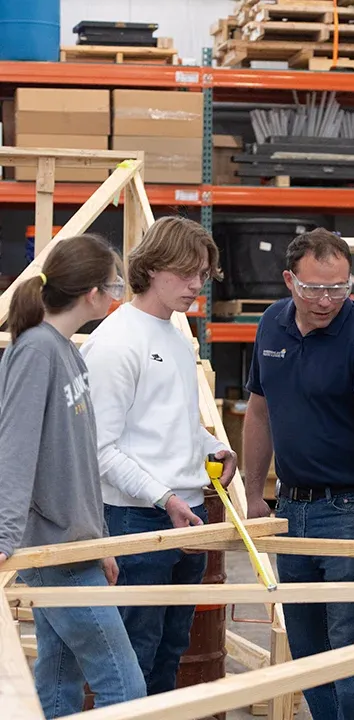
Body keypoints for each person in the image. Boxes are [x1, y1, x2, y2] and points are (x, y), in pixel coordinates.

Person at [243, 227, 354, 720]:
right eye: (314, 288)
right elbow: (259, 412)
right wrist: (253, 491)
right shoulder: (270, 326)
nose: (327, 300)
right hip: (293, 507)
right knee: (309, 652)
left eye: (339, 288)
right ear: (288, 280)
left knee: (352, 650)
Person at [80, 216, 238, 695]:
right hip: (135, 519)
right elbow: (99, 448)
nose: (196, 285)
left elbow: (172, 420)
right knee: (132, 660)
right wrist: (164, 497)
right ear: (150, 268)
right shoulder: (116, 341)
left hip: (181, 515)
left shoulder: (174, 332)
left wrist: (214, 447)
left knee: (171, 654)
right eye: (186, 272)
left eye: (203, 274)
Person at [0, 234, 146, 716]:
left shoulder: (67, 350)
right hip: (54, 549)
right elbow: (14, 451)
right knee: (125, 688)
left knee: (59, 683)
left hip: (75, 544)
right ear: (92, 293)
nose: (119, 295)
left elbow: (79, 457)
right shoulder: (36, 351)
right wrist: (4, 537)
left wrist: (99, 538)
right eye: (115, 285)